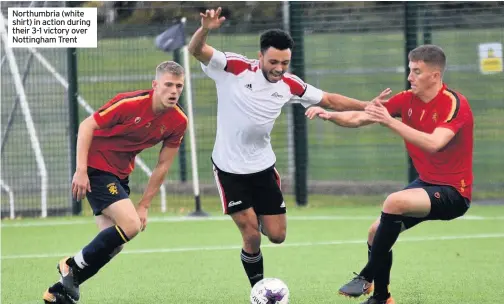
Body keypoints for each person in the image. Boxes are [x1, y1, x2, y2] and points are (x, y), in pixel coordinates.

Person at [187, 7, 390, 289]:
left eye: (285, 62)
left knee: (278, 235)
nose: (279, 68)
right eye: (273, 62)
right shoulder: (233, 67)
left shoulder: (290, 84)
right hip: (229, 169)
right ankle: (258, 289)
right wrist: (205, 28)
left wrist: (368, 105)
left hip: (262, 169)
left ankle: (251, 214)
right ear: (260, 57)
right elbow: (196, 50)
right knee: (251, 236)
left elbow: (329, 99)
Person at [306, 44, 473, 304]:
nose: (410, 77)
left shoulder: (455, 104)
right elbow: (360, 117)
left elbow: (433, 143)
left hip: (454, 192)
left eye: (417, 72)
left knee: (394, 201)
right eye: (410, 70)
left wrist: (390, 121)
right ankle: (382, 298)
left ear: (435, 76)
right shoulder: (406, 100)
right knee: (376, 232)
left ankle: (366, 276)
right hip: (425, 185)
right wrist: (329, 115)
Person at [42, 61, 188, 304]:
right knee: (130, 225)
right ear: (155, 85)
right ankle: (69, 266)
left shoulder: (178, 121)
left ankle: (58, 292)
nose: (173, 91)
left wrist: (145, 205)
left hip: (120, 174)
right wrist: (81, 170)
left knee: (113, 244)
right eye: (168, 85)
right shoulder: (130, 103)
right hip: (96, 166)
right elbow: (87, 125)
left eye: (179, 86)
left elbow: (163, 165)